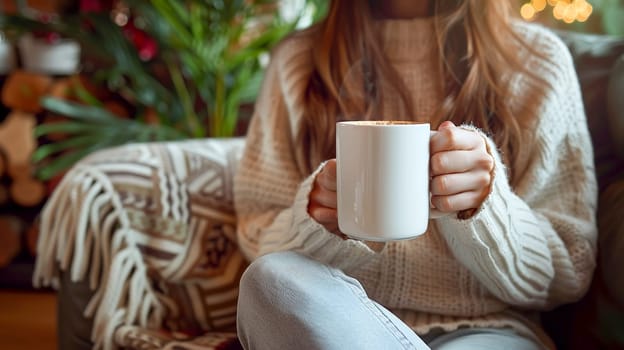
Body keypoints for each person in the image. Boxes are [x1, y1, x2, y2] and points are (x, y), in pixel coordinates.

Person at [233, 0, 598, 349]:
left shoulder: (537, 62)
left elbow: (570, 265)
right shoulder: (296, 62)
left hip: (489, 330)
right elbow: (259, 233)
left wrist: (487, 206)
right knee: (271, 282)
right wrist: (314, 222)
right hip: (339, 323)